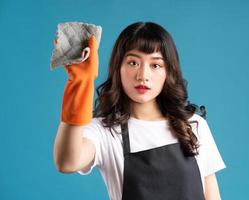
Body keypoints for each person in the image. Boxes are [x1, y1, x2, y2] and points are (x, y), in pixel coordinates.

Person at [53, 21, 226, 200]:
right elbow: (67, 162)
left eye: (155, 65)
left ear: (169, 72)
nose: (143, 75)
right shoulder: (104, 131)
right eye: (133, 62)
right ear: (118, 67)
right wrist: (80, 83)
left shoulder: (194, 125)